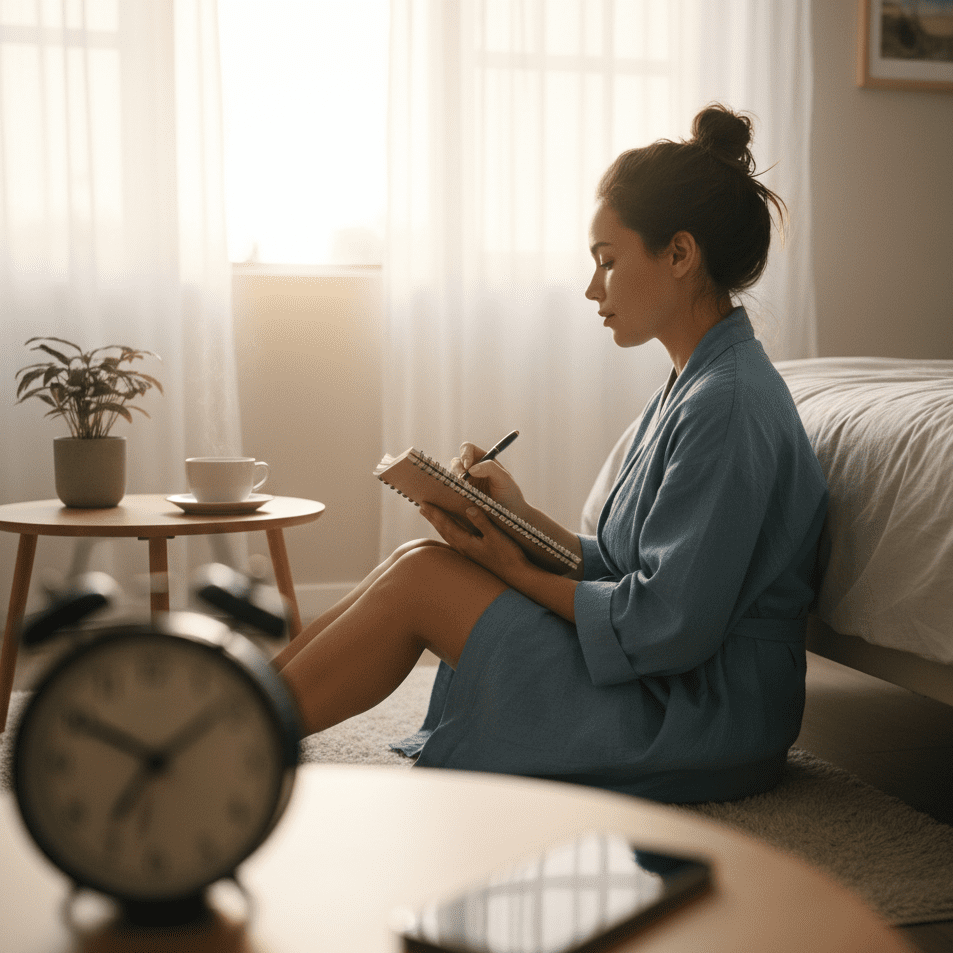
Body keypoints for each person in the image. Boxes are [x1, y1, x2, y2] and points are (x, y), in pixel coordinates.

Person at [273, 103, 829, 803]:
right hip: (672, 681)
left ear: (680, 254)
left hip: (698, 710)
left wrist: (511, 566)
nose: (592, 289)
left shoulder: (728, 403)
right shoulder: (697, 385)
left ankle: (233, 727)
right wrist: (518, 517)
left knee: (424, 585)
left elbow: (667, 626)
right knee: (419, 561)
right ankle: (238, 702)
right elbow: (633, 570)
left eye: (606, 262)